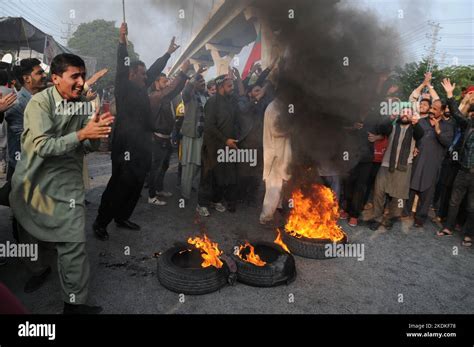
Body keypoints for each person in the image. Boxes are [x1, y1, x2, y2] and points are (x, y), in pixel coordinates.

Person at [9, 53, 114, 313]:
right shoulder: (38, 104)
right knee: (32, 237)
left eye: (83, 75)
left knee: (73, 245)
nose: (80, 82)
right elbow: (42, 146)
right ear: (56, 79)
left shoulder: (81, 105)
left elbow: (87, 145)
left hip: (67, 185)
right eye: (74, 76)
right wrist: (81, 134)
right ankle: (37, 270)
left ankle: (74, 305)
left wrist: (96, 133)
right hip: (35, 184)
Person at [94, 23, 179, 240]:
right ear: (132, 73)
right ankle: (101, 223)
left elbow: (154, 70)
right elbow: (121, 65)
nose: (146, 77)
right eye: (141, 74)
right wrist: (122, 41)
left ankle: (122, 217)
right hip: (124, 145)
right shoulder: (124, 86)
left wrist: (168, 53)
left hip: (142, 144)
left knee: (136, 183)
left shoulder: (142, 87)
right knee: (119, 184)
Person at [367, 108, 424, 231]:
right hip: (386, 164)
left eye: (408, 113)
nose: (405, 114)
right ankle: (377, 218)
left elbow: (420, 134)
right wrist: (391, 118)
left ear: (412, 116)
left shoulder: (415, 129)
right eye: (403, 112)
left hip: (404, 166)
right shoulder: (392, 127)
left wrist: (416, 123)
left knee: (399, 196)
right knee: (378, 192)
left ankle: (390, 218)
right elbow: (382, 128)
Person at [147, 61, 190, 205]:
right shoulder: (154, 96)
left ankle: (159, 189)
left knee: (164, 166)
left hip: (166, 138)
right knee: (155, 167)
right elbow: (172, 89)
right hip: (157, 139)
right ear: (156, 82)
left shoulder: (164, 97)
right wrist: (182, 73)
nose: (167, 84)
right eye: (164, 81)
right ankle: (151, 195)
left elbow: (176, 89)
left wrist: (186, 77)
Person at [406, 99, 453, 227]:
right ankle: (405, 212)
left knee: (427, 191)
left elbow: (447, 143)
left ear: (442, 111)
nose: (431, 110)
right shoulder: (422, 121)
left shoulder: (447, 126)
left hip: (433, 164)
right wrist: (414, 147)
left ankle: (420, 218)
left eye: (435, 109)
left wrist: (438, 130)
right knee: (411, 185)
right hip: (418, 160)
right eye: (431, 108)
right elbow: (413, 136)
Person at [437, 78, 474, 247]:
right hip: (463, 171)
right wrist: (450, 95)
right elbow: (457, 114)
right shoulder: (469, 125)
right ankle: (448, 228)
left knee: (472, 206)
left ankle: (468, 235)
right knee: (454, 200)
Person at [196, 74, 239, 216]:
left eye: (232, 85)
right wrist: (225, 140)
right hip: (212, 146)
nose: (232, 88)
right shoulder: (212, 102)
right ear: (221, 87)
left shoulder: (230, 101)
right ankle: (201, 204)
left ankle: (215, 200)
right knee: (207, 176)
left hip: (226, 147)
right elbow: (209, 126)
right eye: (229, 86)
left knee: (220, 176)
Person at [5, 58, 47, 180]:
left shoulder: (39, 99)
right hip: (22, 167)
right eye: (39, 73)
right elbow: (23, 137)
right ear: (27, 78)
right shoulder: (18, 103)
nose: (44, 76)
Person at [259, 98, 292, 225]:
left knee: (281, 186)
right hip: (275, 155)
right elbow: (276, 130)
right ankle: (265, 217)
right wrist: (292, 129)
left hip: (283, 154)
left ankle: (276, 214)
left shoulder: (284, 106)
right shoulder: (272, 108)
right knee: (273, 188)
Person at [180, 66, 208, 200]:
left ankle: (192, 186)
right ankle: (185, 194)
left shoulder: (206, 97)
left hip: (201, 135)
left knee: (198, 164)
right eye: (200, 82)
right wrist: (196, 74)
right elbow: (186, 90)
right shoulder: (189, 97)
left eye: (204, 83)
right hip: (190, 134)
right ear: (195, 84)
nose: (203, 85)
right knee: (188, 164)